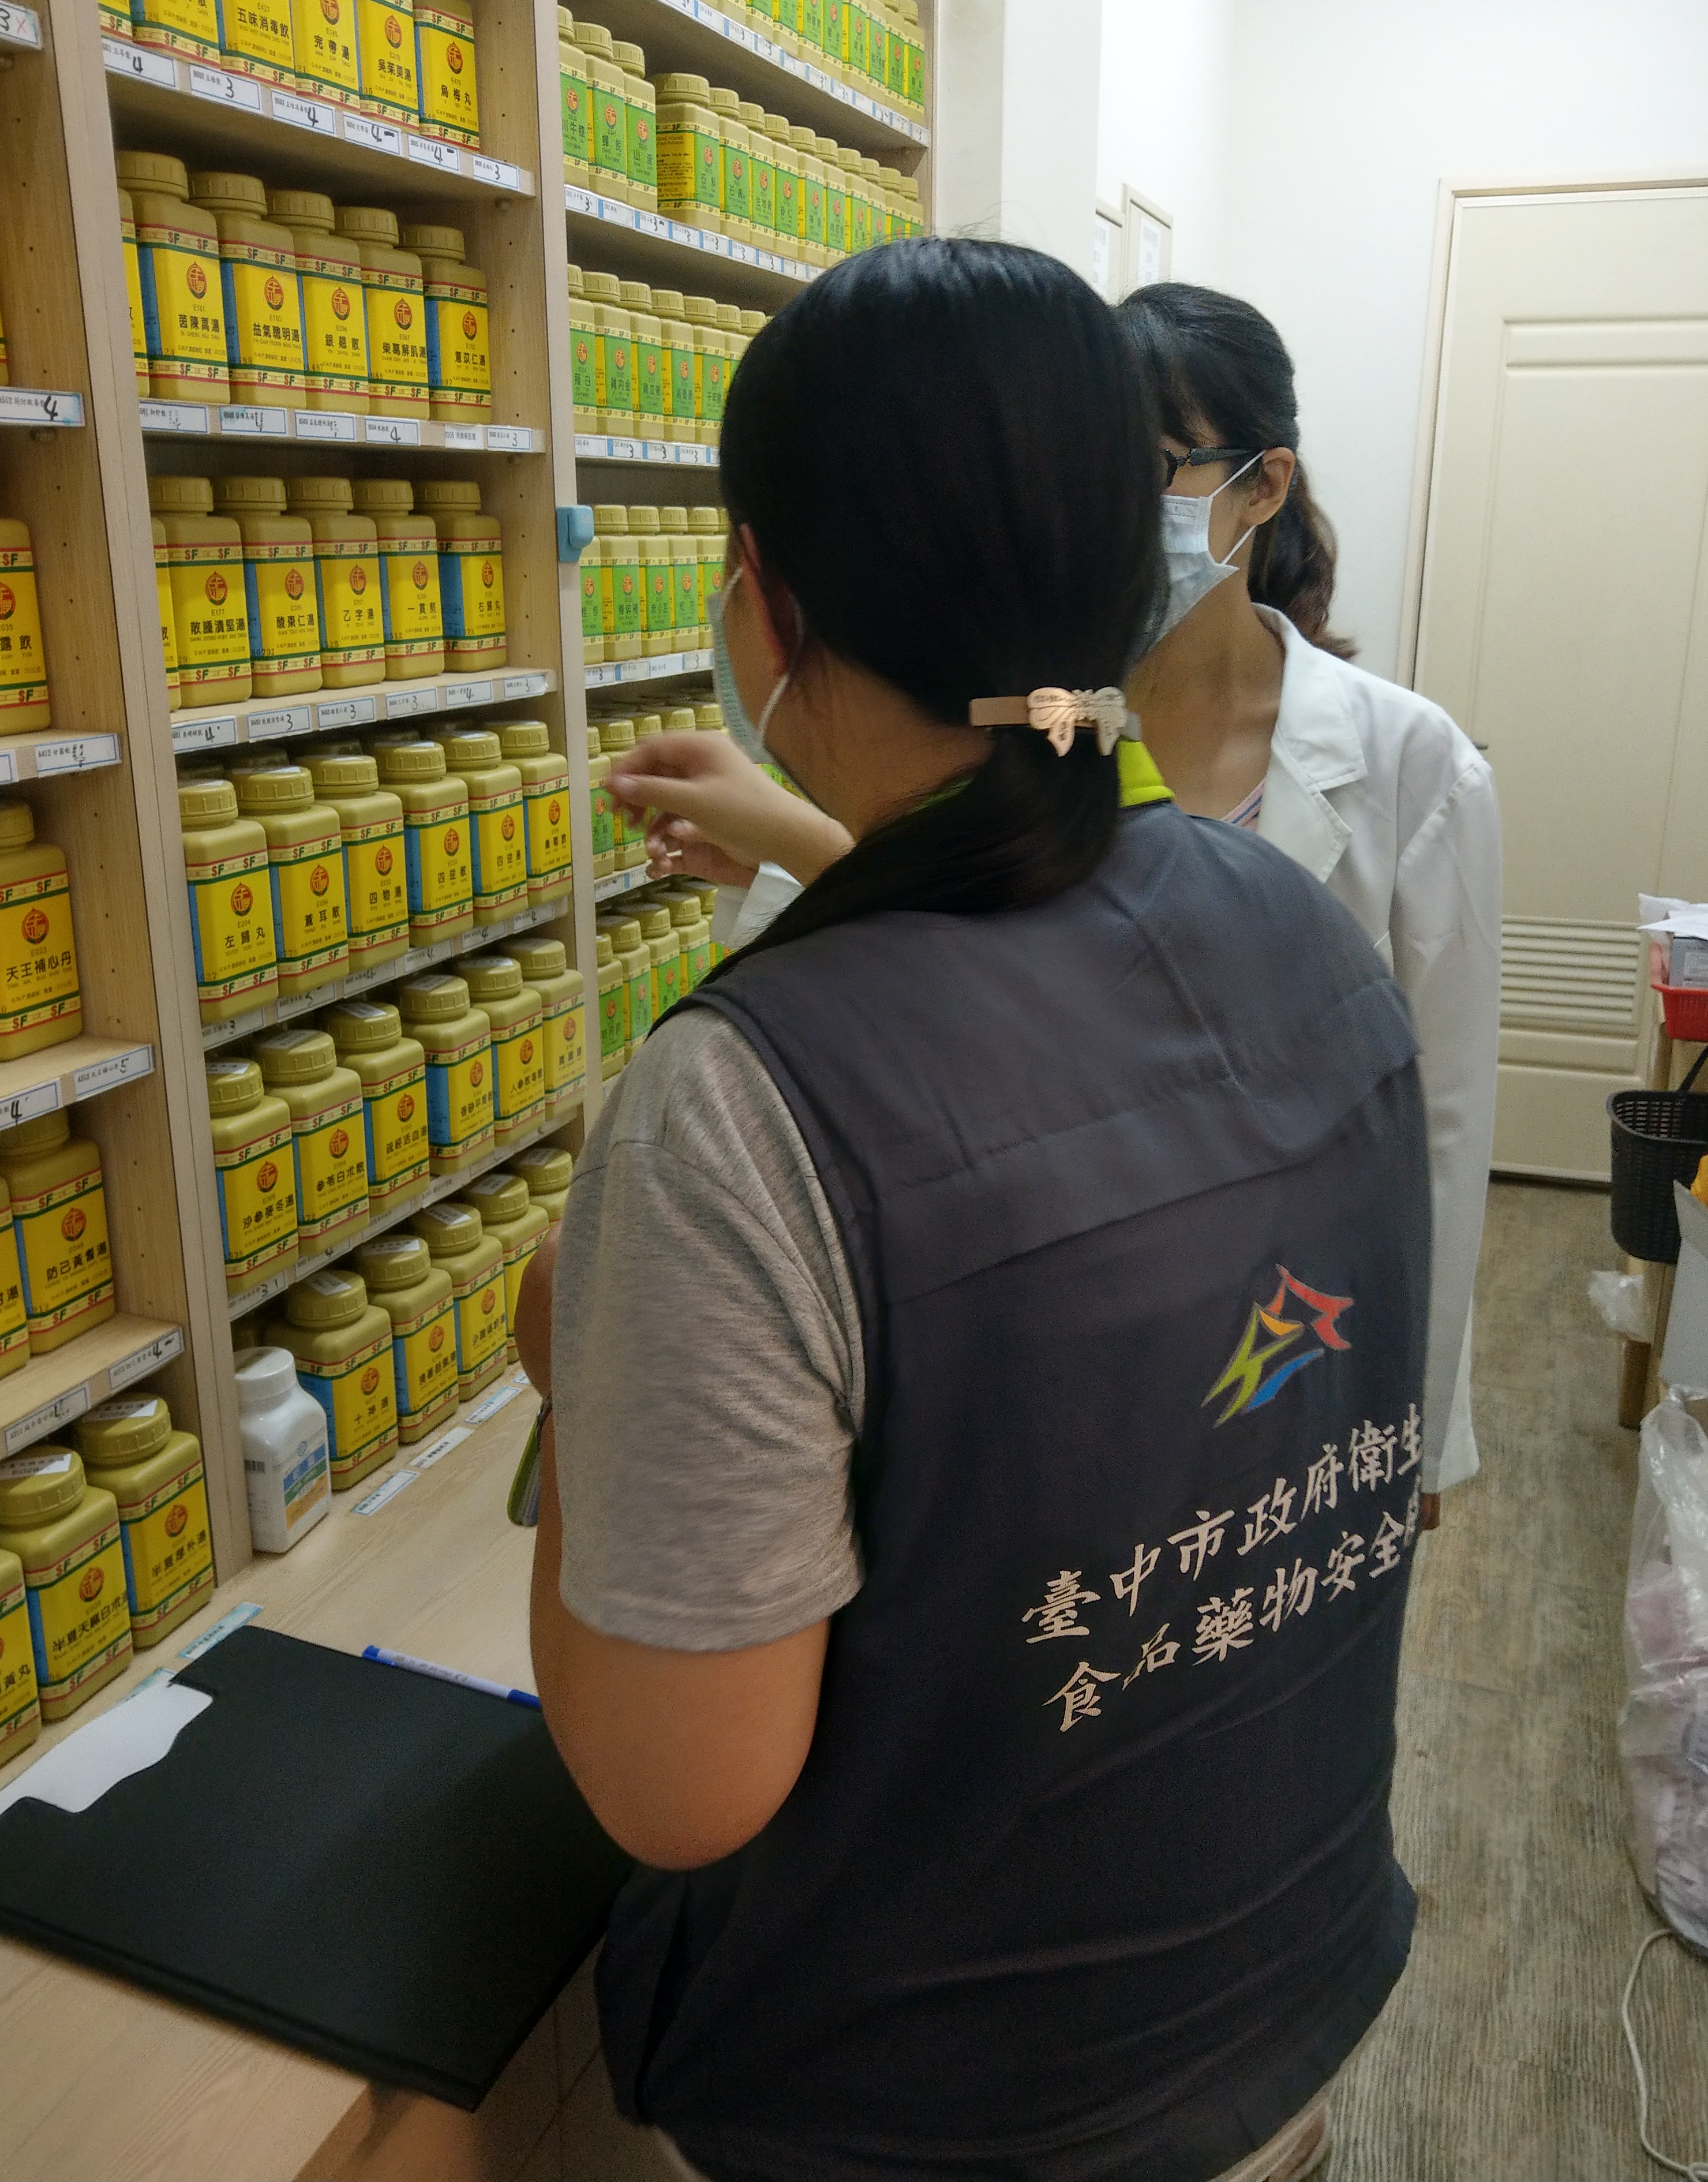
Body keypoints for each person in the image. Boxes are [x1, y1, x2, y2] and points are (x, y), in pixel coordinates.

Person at [521, 239, 1432, 2182]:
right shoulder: (1294, 927)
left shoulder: (740, 1103)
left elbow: (677, 1790)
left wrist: (589, 1385)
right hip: (1284, 2002)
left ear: (763, 595)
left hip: (938, 2115)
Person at [612, 280, 1500, 1508]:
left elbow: (1438, 1127)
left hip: (1290, 1331)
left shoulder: (1412, 762)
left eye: (1153, 470)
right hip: (1066, 1323)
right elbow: (973, 974)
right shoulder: (1035, 719)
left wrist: (1418, 1427)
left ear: (1264, 487)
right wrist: (802, 850)